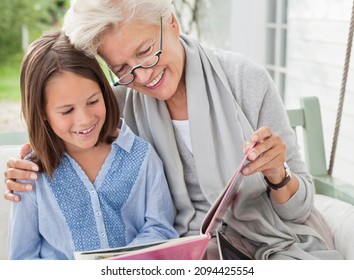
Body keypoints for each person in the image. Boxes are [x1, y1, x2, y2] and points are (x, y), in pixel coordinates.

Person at [4, 0, 342, 259]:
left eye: (146, 51)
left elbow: (298, 209)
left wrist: (276, 173)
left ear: (172, 23)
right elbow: (62, 99)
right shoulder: (112, 108)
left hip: (269, 244)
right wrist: (32, 158)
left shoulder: (244, 80)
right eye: (121, 67)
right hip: (186, 257)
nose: (143, 74)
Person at [7, 31, 178, 260]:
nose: (85, 119)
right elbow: (22, 259)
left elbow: (161, 229)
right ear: (42, 113)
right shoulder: (31, 176)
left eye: (93, 101)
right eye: (67, 111)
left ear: (105, 93)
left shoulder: (142, 156)